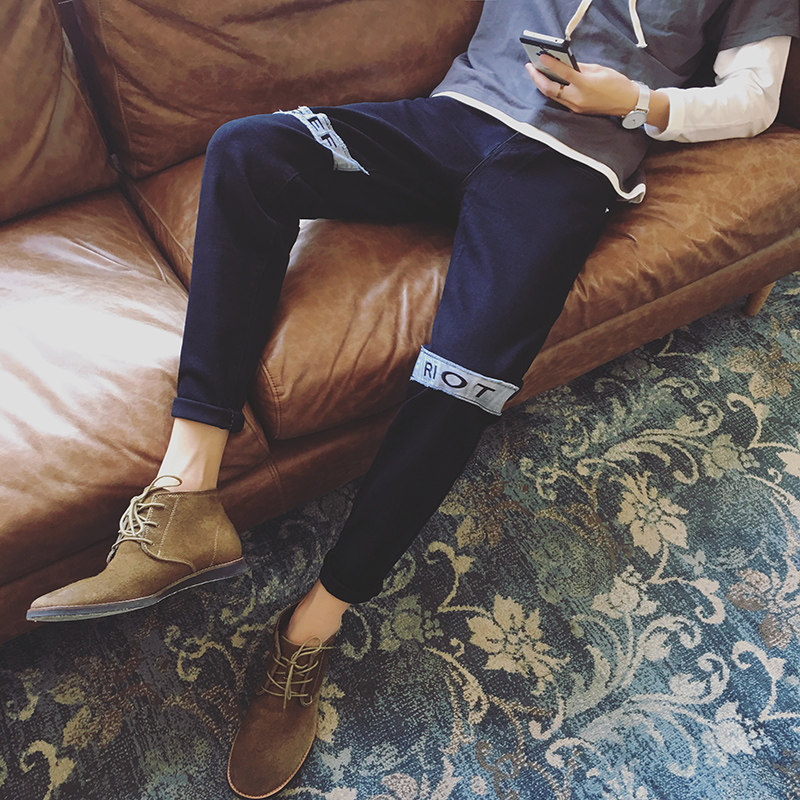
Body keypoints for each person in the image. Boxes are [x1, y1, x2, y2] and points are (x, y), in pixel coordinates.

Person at [26, 0, 798, 796]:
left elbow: (754, 100)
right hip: (449, 123)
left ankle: (313, 625)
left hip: (568, 170)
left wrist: (635, 103)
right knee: (250, 149)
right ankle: (185, 497)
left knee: (465, 381)